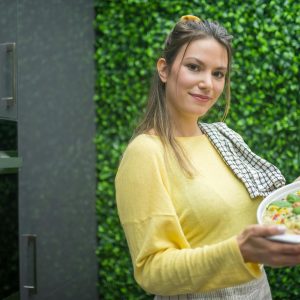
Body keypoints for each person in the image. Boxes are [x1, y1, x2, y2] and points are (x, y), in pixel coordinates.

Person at [115, 15, 300, 299]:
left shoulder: (223, 138)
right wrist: (239, 251)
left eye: (218, 73)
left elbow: (268, 210)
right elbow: (152, 270)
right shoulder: (146, 152)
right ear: (164, 69)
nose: (208, 84)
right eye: (194, 67)